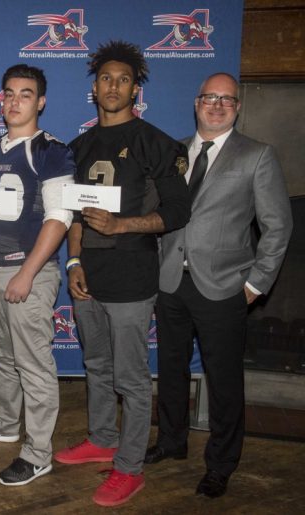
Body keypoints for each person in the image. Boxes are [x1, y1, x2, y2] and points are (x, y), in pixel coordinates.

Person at [53, 41, 191, 507]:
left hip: (133, 278)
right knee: (96, 366)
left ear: (137, 88)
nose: (114, 86)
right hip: (87, 278)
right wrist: (73, 262)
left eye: (124, 79)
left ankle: (129, 468)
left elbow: (177, 211)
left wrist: (122, 225)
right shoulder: (78, 146)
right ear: (95, 88)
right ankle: (102, 438)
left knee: (131, 378)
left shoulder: (157, 143)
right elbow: (72, 214)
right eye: (106, 78)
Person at [145, 73, 292, 498]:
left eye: (226, 99)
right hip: (171, 281)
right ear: (196, 103)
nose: (217, 104)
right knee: (171, 371)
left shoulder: (258, 156)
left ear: (237, 107)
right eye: (210, 97)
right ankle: (171, 443)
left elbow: (277, 226)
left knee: (224, 383)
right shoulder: (173, 153)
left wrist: (255, 284)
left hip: (225, 287)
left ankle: (221, 464)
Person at [0, 64, 74, 486]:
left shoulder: (51, 151)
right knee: (1, 357)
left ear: (40, 102)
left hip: (29, 271)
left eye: (25, 94)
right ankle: (4, 424)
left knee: (33, 364)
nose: (14, 101)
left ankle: (39, 452)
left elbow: (59, 218)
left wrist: (27, 273)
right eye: (8, 93)